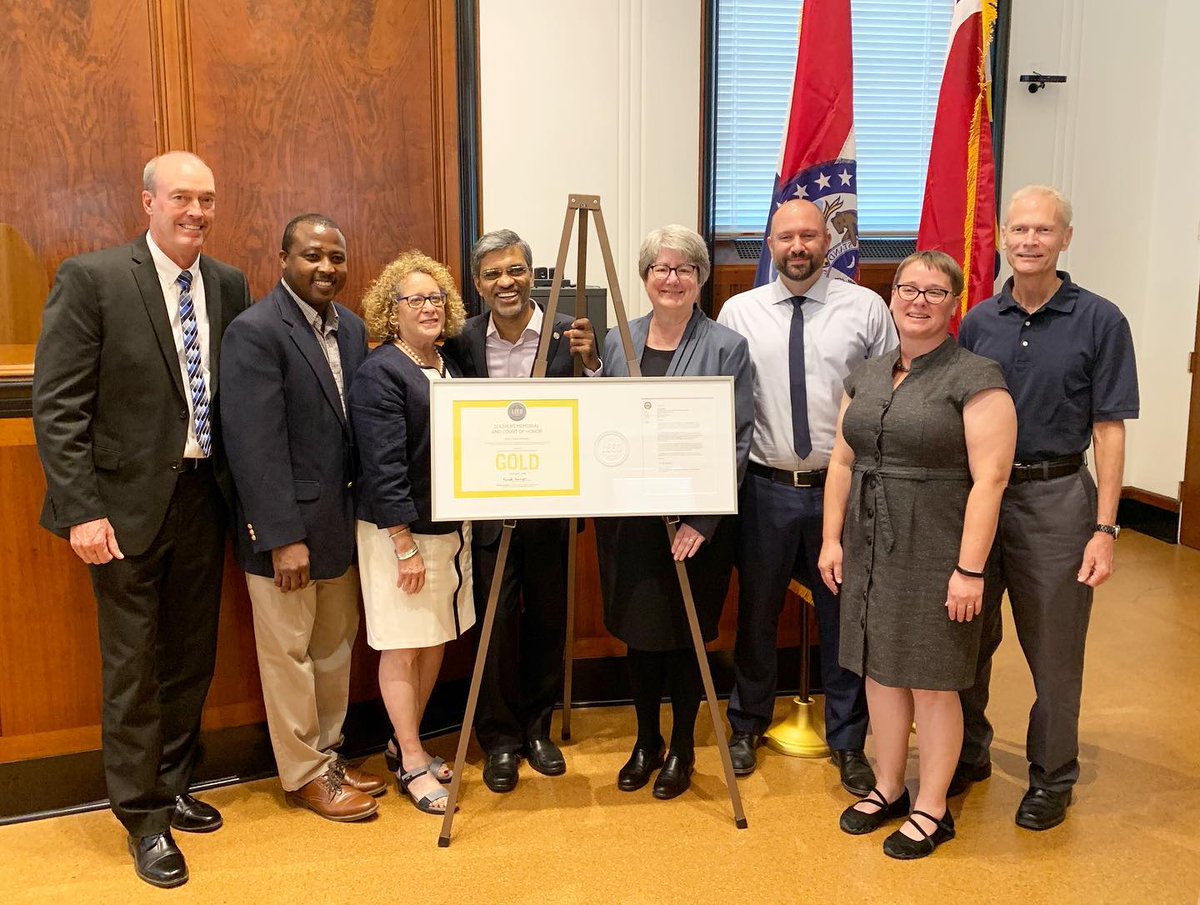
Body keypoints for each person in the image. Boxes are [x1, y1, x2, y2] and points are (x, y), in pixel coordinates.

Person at [31, 151, 251, 888]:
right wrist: (82, 511)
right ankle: (143, 819)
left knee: (191, 657)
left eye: (207, 199)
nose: (196, 212)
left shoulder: (227, 284)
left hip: (205, 499)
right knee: (133, 668)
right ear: (148, 202)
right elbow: (59, 407)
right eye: (182, 198)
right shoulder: (92, 279)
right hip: (122, 512)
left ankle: (175, 782)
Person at [819, 251, 1016, 859]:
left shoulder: (977, 377)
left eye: (934, 291)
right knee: (879, 671)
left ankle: (932, 806)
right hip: (869, 543)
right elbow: (842, 460)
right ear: (892, 297)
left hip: (938, 546)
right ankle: (888, 786)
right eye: (908, 289)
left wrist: (969, 570)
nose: (918, 301)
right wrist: (831, 539)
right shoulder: (868, 374)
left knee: (932, 681)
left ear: (954, 303)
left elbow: (991, 480)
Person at [954, 186, 1139, 831]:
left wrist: (1105, 528)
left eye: (1043, 229)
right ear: (1003, 236)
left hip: (1058, 498)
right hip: (982, 497)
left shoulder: (1101, 320)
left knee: (1055, 652)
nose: (1029, 240)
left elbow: (1110, 430)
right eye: (1019, 229)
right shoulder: (979, 321)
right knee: (967, 636)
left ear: (1065, 238)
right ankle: (968, 751)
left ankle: (1053, 776)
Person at [716, 199, 897, 792]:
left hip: (839, 490)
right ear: (770, 244)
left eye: (810, 236)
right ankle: (746, 725)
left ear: (828, 241)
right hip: (764, 488)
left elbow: (888, 395)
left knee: (844, 618)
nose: (798, 247)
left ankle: (847, 739)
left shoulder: (865, 308)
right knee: (757, 615)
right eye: (786, 236)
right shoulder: (740, 311)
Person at [220, 213, 384, 822]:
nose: (326, 268)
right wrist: (282, 538)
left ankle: (329, 757)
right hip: (286, 534)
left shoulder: (353, 328)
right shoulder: (255, 331)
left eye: (336, 257)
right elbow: (253, 447)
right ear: (284, 260)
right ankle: (304, 773)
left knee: (335, 648)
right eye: (312, 255)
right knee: (288, 655)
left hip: (340, 524)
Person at [594, 225, 754, 799]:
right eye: (661, 268)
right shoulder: (619, 340)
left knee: (687, 635)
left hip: (695, 525)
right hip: (630, 522)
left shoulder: (726, 346)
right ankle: (646, 741)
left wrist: (702, 521)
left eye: (685, 269)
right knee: (639, 635)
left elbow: (737, 438)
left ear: (700, 278)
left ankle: (683, 746)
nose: (672, 278)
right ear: (645, 277)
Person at [441, 229, 600, 792]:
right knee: (497, 625)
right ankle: (500, 740)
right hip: (489, 509)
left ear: (533, 274)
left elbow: (599, 407)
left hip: (552, 506)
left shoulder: (570, 333)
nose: (505, 282)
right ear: (478, 283)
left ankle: (537, 730)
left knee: (549, 621)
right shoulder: (461, 339)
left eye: (515, 270)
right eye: (492, 274)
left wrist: (593, 362)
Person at [349, 250, 474, 815]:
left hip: (448, 530)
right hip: (400, 535)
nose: (428, 307)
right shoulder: (380, 372)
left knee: (434, 637)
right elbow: (382, 466)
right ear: (390, 310)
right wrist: (403, 545)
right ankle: (414, 761)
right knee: (403, 645)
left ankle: (406, 745)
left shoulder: (447, 364)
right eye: (415, 299)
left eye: (436, 297)